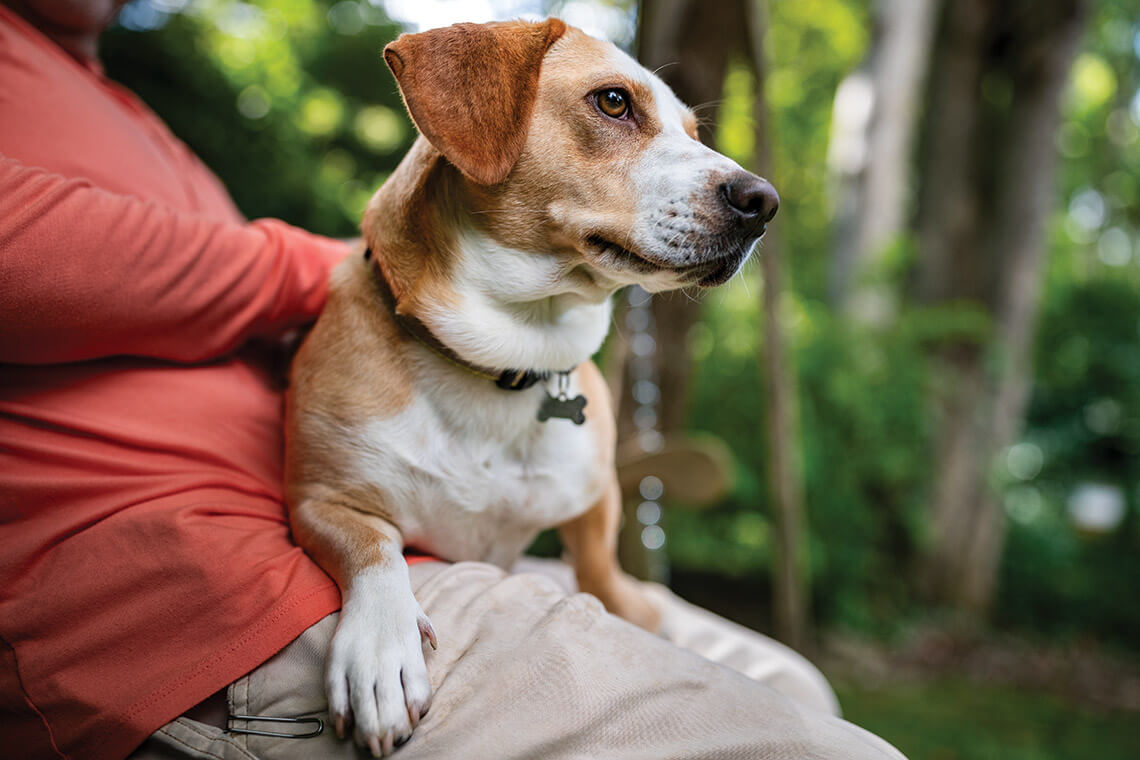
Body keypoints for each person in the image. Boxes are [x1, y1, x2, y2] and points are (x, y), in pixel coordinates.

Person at [0, 2, 906, 759]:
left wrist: (601, 570)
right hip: (201, 607)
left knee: (799, 685)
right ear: (472, 110)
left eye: (680, 130)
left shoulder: (133, 116)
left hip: (447, 541)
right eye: (616, 109)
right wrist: (315, 266)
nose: (739, 186)